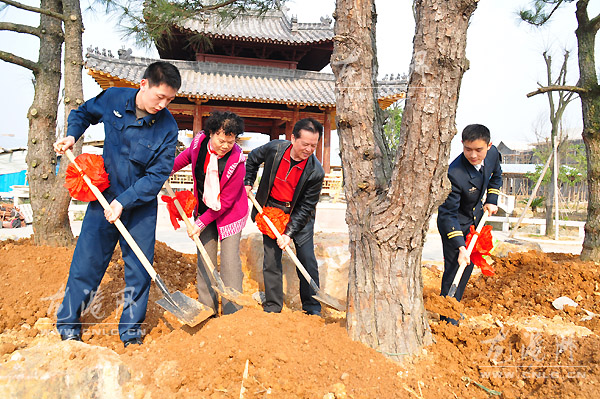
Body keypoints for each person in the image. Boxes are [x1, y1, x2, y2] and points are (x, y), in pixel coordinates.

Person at [53, 61, 181, 347]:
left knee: (139, 269)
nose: (163, 104)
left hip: (139, 205)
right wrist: (73, 134)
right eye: (160, 97)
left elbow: (157, 175)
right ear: (144, 84)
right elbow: (83, 112)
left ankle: (130, 334)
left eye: (169, 99)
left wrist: (124, 202)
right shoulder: (113, 98)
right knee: (87, 262)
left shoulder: (168, 128)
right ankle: (68, 323)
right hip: (103, 197)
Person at [244, 118, 325, 316]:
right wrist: (248, 181)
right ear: (292, 138)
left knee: (306, 259)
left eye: (313, 145)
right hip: (271, 209)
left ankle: (312, 307)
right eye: (305, 144)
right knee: (271, 259)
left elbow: (306, 207)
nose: (308, 149)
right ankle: (273, 306)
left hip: (299, 215)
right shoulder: (275, 149)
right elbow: (253, 158)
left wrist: (288, 233)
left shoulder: (316, 172)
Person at [171, 111, 248, 315]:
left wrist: (200, 223)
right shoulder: (199, 144)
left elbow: (225, 203)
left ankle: (233, 312)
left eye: (230, 142)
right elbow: (186, 158)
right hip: (204, 207)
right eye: (221, 140)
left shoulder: (237, 162)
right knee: (206, 259)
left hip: (229, 214)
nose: (225, 146)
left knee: (230, 263)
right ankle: (208, 310)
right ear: (211, 133)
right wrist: (165, 170)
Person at [437, 124, 502, 325]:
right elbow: (448, 214)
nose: (473, 155)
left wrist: (492, 199)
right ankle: (447, 318)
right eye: (468, 149)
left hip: (474, 218)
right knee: (454, 268)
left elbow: (496, 177)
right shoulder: (455, 173)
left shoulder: (493, 155)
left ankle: (453, 308)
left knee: (465, 268)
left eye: (478, 150)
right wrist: (460, 246)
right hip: (454, 223)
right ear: (462, 145)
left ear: (488, 146)